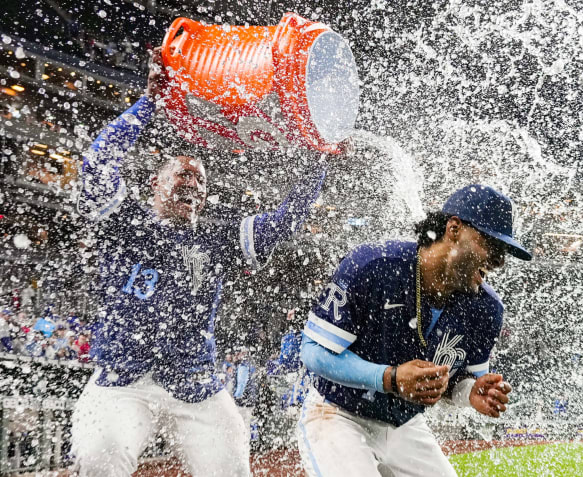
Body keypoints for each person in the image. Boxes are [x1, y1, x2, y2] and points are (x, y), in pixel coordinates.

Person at [70, 47, 329, 477]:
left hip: (197, 385)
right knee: (99, 458)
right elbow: (97, 164)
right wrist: (147, 104)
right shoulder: (123, 220)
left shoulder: (216, 236)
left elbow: (284, 222)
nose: (193, 185)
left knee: (231, 468)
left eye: (201, 181)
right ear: (156, 183)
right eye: (183, 175)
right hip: (122, 381)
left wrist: (317, 158)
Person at [297, 185, 532, 477]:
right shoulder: (374, 264)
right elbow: (313, 352)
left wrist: (470, 392)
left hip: (404, 425)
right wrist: (389, 378)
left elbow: (460, 380)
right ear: (454, 229)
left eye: (504, 252)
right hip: (338, 413)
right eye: (491, 244)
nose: (499, 262)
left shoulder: (486, 308)